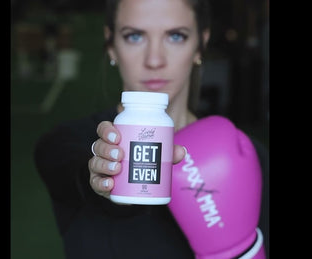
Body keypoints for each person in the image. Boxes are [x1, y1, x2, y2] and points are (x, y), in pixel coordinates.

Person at [33, 0, 269, 258]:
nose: (154, 60)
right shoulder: (68, 142)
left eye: (176, 36)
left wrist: (240, 250)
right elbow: (76, 176)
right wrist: (103, 177)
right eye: (134, 36)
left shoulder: (249, 156)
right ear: (111, 45)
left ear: (200, 44)